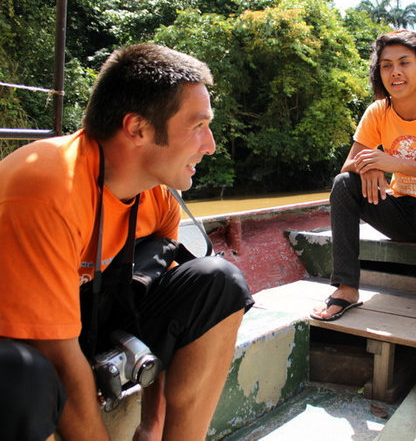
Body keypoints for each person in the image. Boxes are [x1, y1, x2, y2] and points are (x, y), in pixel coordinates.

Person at [0, 43, 254, 441]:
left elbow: (169, 310)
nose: (210, 145)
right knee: (22, 378)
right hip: (26, 343)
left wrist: (151, 426)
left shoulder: (158, 196)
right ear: (138, 129)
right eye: (197, 126)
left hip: (86, 320)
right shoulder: (48, 189)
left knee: (218, 282)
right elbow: (56, 354)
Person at [310, 30, 416, 336]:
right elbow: (348, 165)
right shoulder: (378, 111)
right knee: (344, 183)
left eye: (404, 63)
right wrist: (369, 167)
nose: (395, 72)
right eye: (386, 65)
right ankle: (347, 288)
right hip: (398, 214)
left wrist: (392, 163)